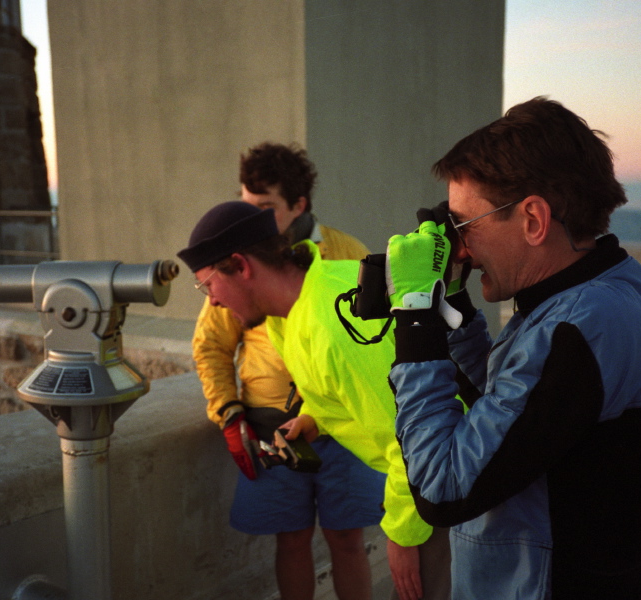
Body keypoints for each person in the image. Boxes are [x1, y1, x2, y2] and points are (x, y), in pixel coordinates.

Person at [384, 97, 641, 599]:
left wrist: (415, 320)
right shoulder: (614, 289)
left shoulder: (577, 329)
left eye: (462, 225)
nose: (461, 248)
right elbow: (509, 409)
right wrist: (449, 296)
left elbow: (442, 486)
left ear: (533, 220)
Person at [178, 201, 451, 600]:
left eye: (207, 285)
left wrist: (403, 537)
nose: (213, 301)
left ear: (241, 265)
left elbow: (413, 439)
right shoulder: (292, 309)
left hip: (437, 493)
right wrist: (314, 417)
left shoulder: (330, 326)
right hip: (426, 486)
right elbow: (347, 387)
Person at [189, 143, 382, 600]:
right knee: (290, 540)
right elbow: (211, 344)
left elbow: (373, 360)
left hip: (346, 432)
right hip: (274, 427)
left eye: (262, 207)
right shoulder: (234, 277)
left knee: (348, 540)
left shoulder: (344, 254)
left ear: (299, 205)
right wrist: (229, 411)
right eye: (243, 203)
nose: (246, 216)